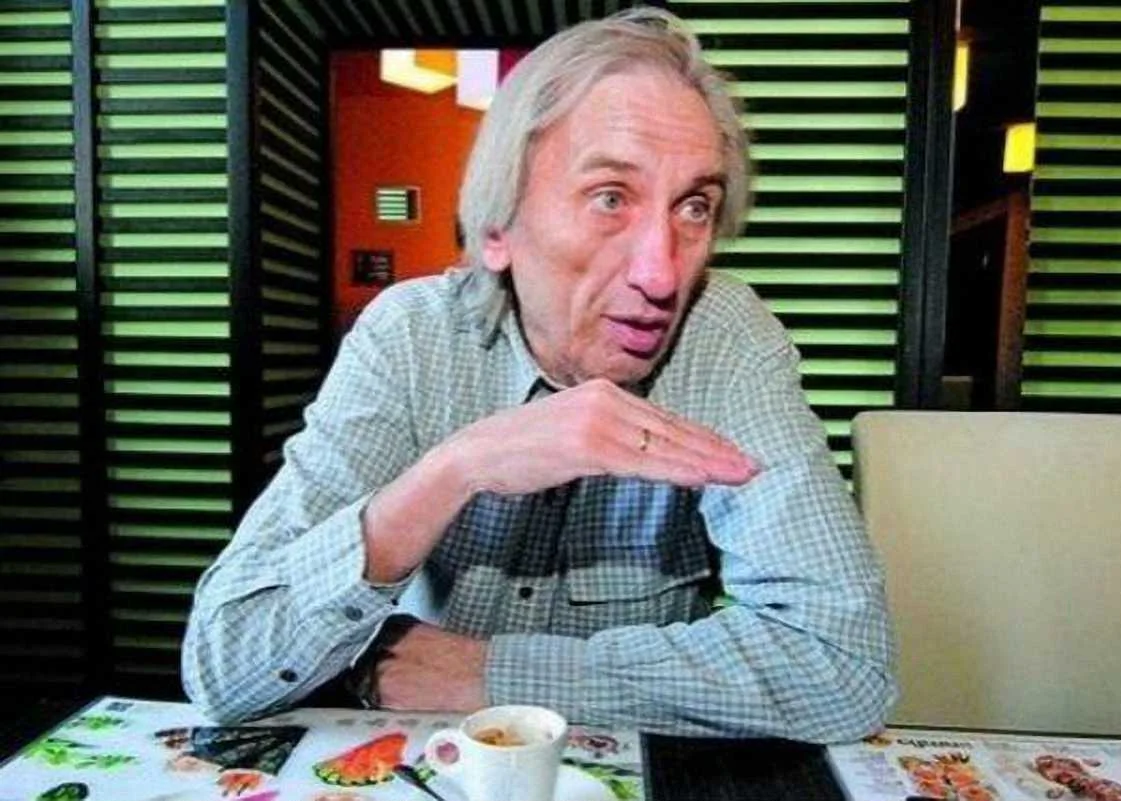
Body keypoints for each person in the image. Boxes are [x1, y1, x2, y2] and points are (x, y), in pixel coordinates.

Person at [182, 7, 896, 741]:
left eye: (694, 207)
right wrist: (454, 469)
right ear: (498, 231)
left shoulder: (725, 339)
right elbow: (224, 664)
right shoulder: (412, 336)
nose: (661, 274)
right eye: (611, 198)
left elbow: (842, 666)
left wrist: (486, 673)